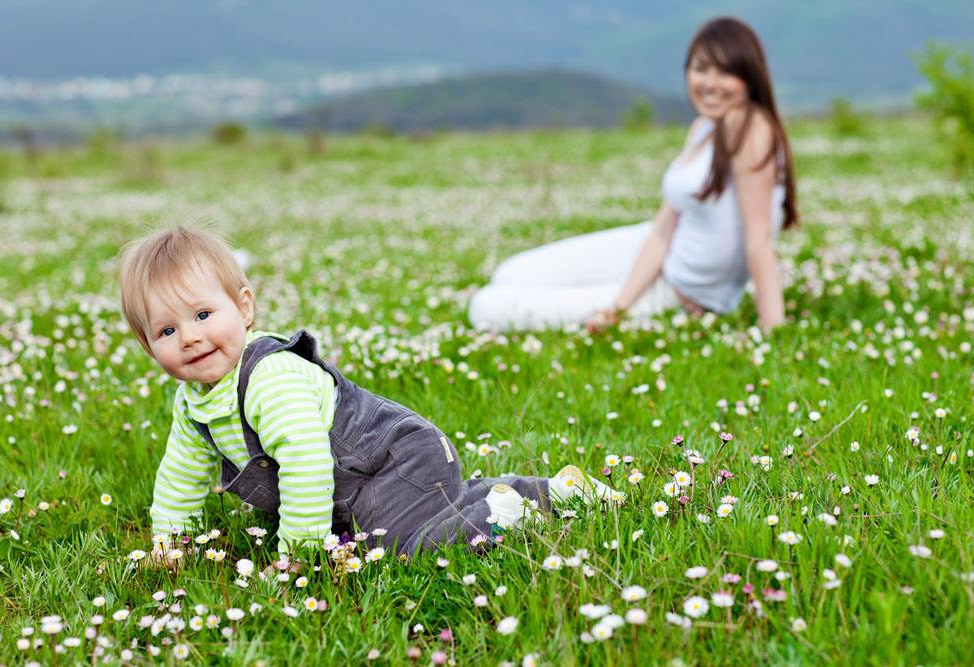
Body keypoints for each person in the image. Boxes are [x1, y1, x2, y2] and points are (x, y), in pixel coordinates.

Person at [118, 226, 620, 563]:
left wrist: (300, 552)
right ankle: (531, 490)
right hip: (351, 490)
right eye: (166, 331)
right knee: (378, 534)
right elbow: (180, 476)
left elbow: (308, 462)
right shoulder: (194, 404)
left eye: (203, 315)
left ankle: (516, 507)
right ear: (147, 345)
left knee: (409, 546)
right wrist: (169, 543)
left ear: (243, 308)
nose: (189, 337)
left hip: (392, 460)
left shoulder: (268, 378)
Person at [469, 17, 797, 334]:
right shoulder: (704, 127)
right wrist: (621, 304)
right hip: (651, 250)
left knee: (485, 307)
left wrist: (773, 331)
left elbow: (759, 241)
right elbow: (663, 229)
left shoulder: (751, 132)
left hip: (681, 292)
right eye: (700, 68)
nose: (709, 83)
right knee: (509, 273)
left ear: (750, 78)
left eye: (725, 71)